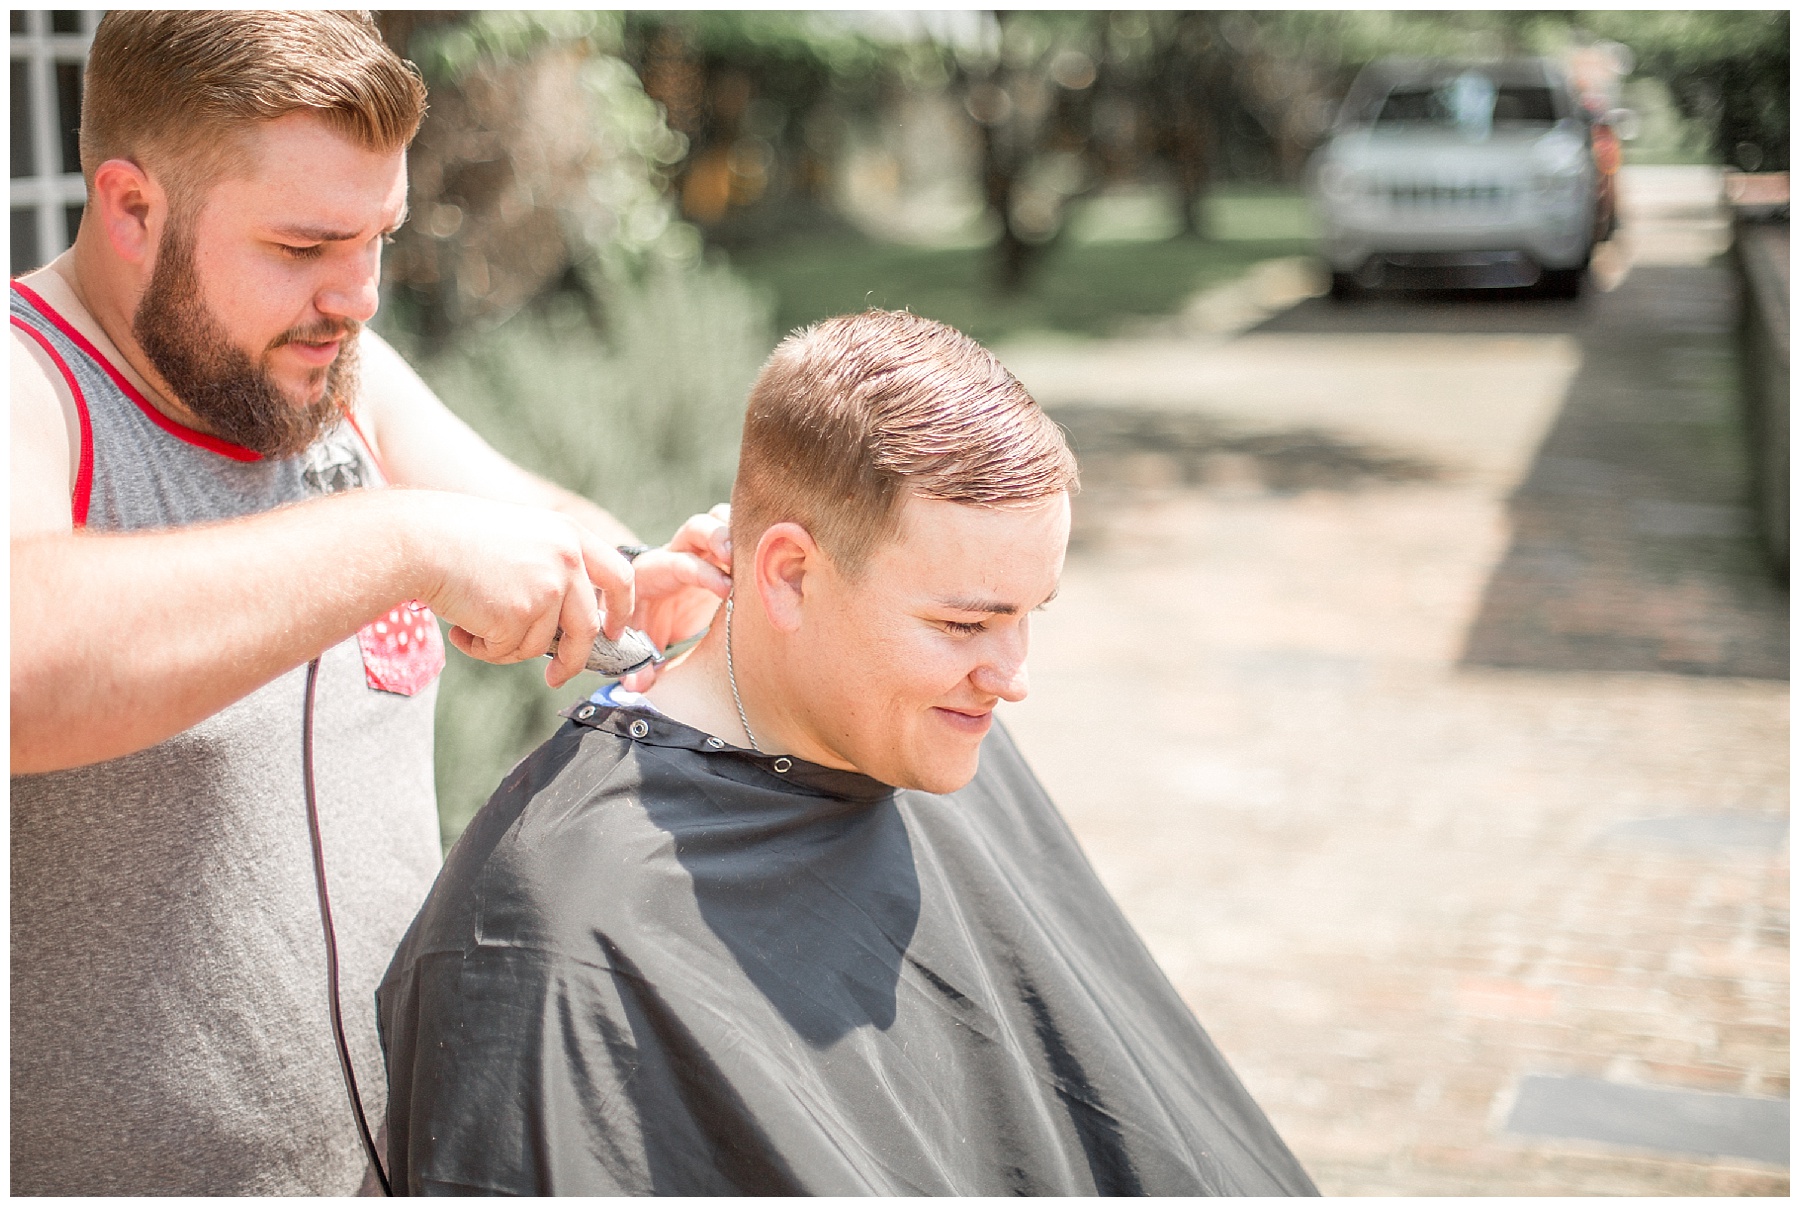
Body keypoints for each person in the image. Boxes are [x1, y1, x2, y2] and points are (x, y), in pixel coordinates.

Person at [10, 11, 728, 1196]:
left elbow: (526, 524)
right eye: (304, 245)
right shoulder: (26, 381)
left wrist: (640, 573)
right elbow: (22, 662)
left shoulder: (336, 364)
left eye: (380, 236)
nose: (359, 297)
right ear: (131, 207)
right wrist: (402, 538)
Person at [378, 310, 1318, 1195]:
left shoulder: (915, 721)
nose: (1012, 676)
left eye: (1030, 616)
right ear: (789, 573)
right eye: (963, 622)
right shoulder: (566, 923)